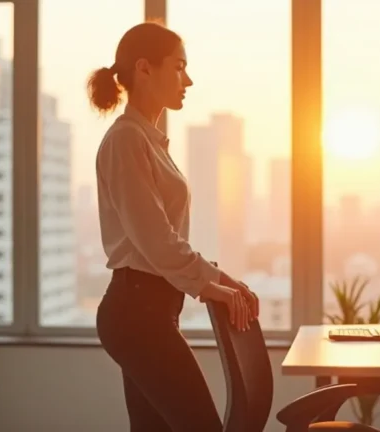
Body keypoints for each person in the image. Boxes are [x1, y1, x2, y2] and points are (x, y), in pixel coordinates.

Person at [89, 21, 260, 432]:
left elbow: (165, 240)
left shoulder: (147, 140)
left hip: (153, 307)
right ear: (144, 69)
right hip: (136, 311)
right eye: (179, 67)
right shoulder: (126, 141)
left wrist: (224, 278)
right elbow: (156, 240)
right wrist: (208, 286)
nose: (189, 80)